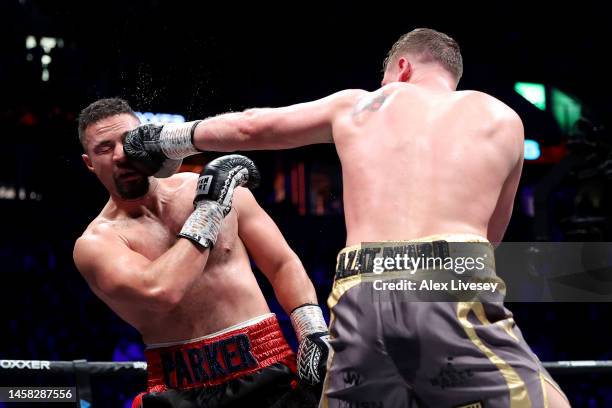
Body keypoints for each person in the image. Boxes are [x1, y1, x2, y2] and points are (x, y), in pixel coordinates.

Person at [123, 28, 570, 407]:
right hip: (450, 277)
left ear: (402, 68)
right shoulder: (502, 117)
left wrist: (167, 138)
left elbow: (250, 127)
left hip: (361, 287)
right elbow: (492, 239)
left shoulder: (362, 105)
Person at [73, 98, 330, 408]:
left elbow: (281, 262)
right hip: (180, 388)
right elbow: (160, 291)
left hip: (267, 366)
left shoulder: (204, 187)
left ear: (145, 139)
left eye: (128, 141)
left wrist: (311, 329)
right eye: (104, 148)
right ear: (89, 163)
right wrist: (209, 212)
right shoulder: (97, 242)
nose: (121, 155)